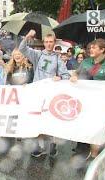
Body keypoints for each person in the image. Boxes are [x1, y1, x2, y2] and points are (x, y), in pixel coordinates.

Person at [19, 29, 70, 158]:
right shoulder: (38, 55)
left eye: (50, 42)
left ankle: (53, 145)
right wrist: (28, 36)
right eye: (46, 42)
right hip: (38, 93)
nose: (48, 44)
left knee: (51, 119)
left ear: (54, 43)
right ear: (43, 43)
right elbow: (22, 48)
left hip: (51, 94)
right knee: (37, 120)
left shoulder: (58, 58)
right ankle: (39, 146)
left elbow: (66, 76)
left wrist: (60, 78)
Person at [70, 38, 105, 160]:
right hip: (85, 102)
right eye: (90, 47)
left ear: (102, 50)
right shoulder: (86, 62)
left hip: (101, 105)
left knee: (97, 129)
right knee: (83, 126)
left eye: (94, 47)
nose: (90, 49)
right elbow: (76, 73)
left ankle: (95, 157)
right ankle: (81, 150)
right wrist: (74, 77)